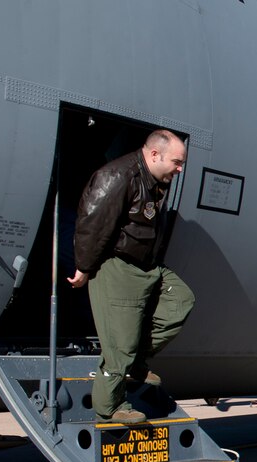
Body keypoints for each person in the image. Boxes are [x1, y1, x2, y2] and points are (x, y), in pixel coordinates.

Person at [67, 130, 195, 424]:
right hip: (119, 266)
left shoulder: (152, 181)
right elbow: (92, 222)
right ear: (154, 155)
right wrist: (84, 268)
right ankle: (110, 406)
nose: (180, 169)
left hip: (146, 266)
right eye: (176, 162)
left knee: (181, 301)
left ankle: (135, 362)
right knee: (119, 345)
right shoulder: (118, 177)